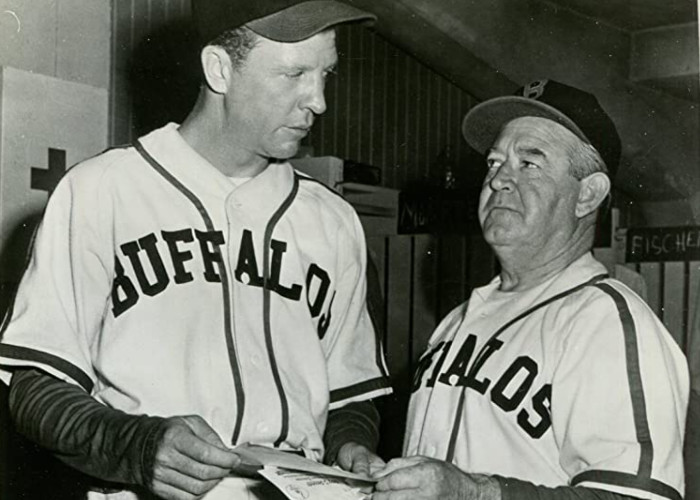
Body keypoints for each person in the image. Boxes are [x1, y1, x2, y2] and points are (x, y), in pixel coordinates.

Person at [0, 1, 392, 499]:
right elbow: (37, 386)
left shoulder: (335, 222)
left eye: (325, 75)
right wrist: (136, 446)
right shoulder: (101, 191)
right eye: (293, 74)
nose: (317, 101)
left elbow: (350, 394)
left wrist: (350, 446)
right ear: (220, 69)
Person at [370, 80, 689, 500]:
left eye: (529, 163)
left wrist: (475, 493)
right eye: (493, 162)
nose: (499, 179)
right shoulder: (456, 321)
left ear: (587, 195)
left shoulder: (608, 322)